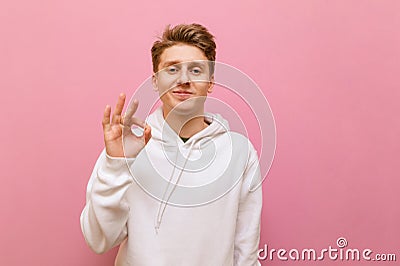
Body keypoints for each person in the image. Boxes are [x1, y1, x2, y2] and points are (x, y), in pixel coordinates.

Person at [80, 23, 262, 266]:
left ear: (211, 82)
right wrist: (116, 164)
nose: (184, 79)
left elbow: (246, 251)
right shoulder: (128, 148)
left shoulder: (240, 152)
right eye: (172, 69)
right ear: (155, 81)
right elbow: (98, 240)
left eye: (196, 70)